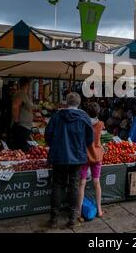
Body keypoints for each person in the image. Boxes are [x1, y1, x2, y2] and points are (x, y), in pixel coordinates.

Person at [45, 92, 94, 229]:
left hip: (59, 155)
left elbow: (47, 135)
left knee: (57, 185)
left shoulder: (57, 116)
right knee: (74, 184)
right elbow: (90, 139)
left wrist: (55, 145)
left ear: (66, 102)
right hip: (77, 156)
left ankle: (54, 219)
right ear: (78, 103)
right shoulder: (84, 117)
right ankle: (72, 218)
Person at [77, 102, 105, 221]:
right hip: (97, 155)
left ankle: (78, 212)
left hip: (84, 156)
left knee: (82, 183)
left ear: (86, 112)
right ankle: (99, 210)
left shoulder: (83, 124)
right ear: (98, 113)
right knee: (96, 182)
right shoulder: (101, 124)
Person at [11, 78, 33, 151]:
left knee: (21, 148)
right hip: (21, 126)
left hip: (24, 126)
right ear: (27, 85)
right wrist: (16, 121)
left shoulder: (24, 94)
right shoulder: (21, 94)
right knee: (21, 148)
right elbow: (15, 106)